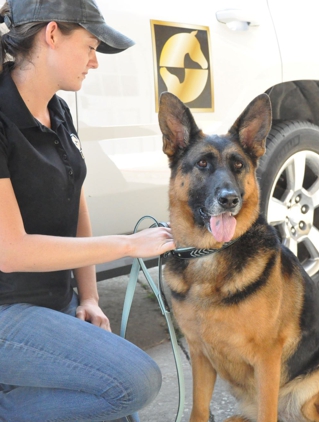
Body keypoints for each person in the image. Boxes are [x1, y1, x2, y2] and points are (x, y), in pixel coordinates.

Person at [0, 0, 175, 420]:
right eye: (92, 46)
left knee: (118, 408)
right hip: (7, 309)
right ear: (53, 33)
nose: (95, 62)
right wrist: (130, 245)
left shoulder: (56, 108)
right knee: (135, 381)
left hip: (52, 302)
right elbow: (11, 250)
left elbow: (75, 199)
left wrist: (91, 297)